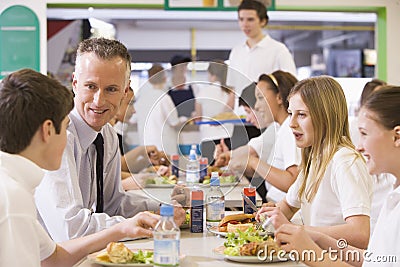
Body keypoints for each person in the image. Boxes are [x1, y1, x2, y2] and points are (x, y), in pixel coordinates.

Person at [0, 69, 160, 267]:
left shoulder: (14, 186)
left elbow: (53, 258)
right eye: (66, 127)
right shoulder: (11, 198)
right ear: (48, 130)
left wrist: (122, 229)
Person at [35, 37, 185, 242]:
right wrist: (141, 223)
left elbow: (112, 204)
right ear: (75, 84)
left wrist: (161, 209)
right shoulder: (59, 136)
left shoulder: (108, 135)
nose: (99, 100)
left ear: (125, 91)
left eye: (111, 89)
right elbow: (70, 230)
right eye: (90, 86)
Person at [272, 87, 400, 266]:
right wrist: (316, 238)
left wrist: (310, 248)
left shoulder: (344, 160)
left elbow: (361, 236)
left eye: (364, 134)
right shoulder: (394, 197)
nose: (359, 147)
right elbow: (374, 260)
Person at [257, 76, 373, 249]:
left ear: (325, 117)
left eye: (301, 115)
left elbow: (360, 234)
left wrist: (298, 230)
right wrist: (268, 216)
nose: (292, 124)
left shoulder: (344, 161)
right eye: (290, 114)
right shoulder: (313, 159)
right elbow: (287, 207)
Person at [230, 71, 300, 203]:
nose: (256, 106)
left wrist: (254, 162)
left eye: (260, 98)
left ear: (279, 97)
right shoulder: (281, 128)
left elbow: (292, 182)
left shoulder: (290, 130)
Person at [226, 0, 296, 112]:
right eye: (241, 19)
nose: (245, 24)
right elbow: (232, 90)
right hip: (241, 118)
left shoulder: (278, 50)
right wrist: (224, 115)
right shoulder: (236, 51)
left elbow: (291, 87)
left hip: (267, 118)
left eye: (250, 19)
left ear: (263, 21)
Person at [135, 63, 185, 155]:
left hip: (146, 146)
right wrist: (185, 119)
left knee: (149, 169)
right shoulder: (164, 98)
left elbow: (133, 119)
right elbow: (174, 122)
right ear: (165, 78)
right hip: (164, 147)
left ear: (149, 80)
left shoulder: (141, 98)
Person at [168, 55, 201, 120]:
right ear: (173, 68)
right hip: (172, 126)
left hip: (191, 125)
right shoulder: (166, 87)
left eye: (185, 65)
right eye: (180, 66)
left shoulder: (194, 86)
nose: (183, 68)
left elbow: (200, 106)